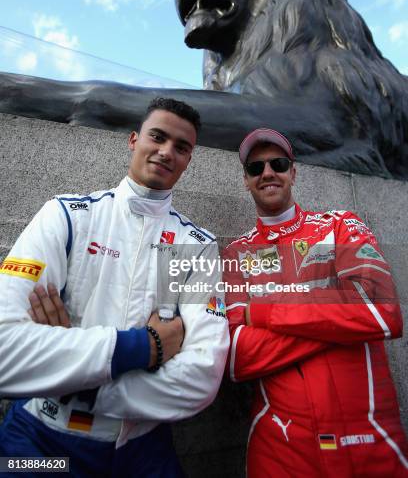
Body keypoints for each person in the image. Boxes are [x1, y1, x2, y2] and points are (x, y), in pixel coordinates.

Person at [0, 97, 229, 477]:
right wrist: (147, 347)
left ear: (189, 160)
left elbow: (203, 375)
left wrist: (79, 382)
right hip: (39, 443)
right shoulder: (68, 214)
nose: (166, 151)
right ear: (134, 140)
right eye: (157, 137)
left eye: (181, 147)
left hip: (143, 452)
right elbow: (5, 352)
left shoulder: (195, 245)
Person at [223, 128, 408, 477]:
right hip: (281, 450)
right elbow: (236, 355)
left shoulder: (340, 225)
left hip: (373, 443)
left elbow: (381, 312)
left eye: (277, 163)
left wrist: (263, 312)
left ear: (293, 171)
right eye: (255, 167)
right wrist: (340, 323)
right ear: (246, 181)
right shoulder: (236, 254)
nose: (267, 173)